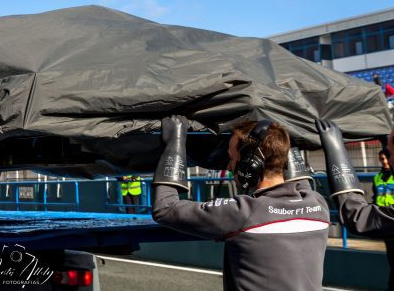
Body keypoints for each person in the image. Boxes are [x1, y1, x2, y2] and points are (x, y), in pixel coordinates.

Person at [152, 116, 330, 291]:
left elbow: (165, 208)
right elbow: (298, 180)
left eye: (232, 158)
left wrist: (173, 145)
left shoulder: (242, 213)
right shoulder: (318, 204)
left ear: (249, 165)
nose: (229, 167)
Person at [315, 121, 394, 288]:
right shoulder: (378, 177)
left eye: (390, 153)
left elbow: (356, 215)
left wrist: (336, 149)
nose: (388, 160)